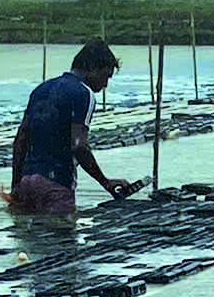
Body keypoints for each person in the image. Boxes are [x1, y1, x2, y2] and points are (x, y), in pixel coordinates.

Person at [8, 41, 130, 214]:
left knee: (29, 239)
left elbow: (20, 140)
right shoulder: (83, 93)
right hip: (55, 183)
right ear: (92, 68)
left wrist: (16, 185)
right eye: (106, 76)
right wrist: (105, 181)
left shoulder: (41, 89)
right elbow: (79, 145)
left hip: (27, 182)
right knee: (62, 238)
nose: (105, 85)